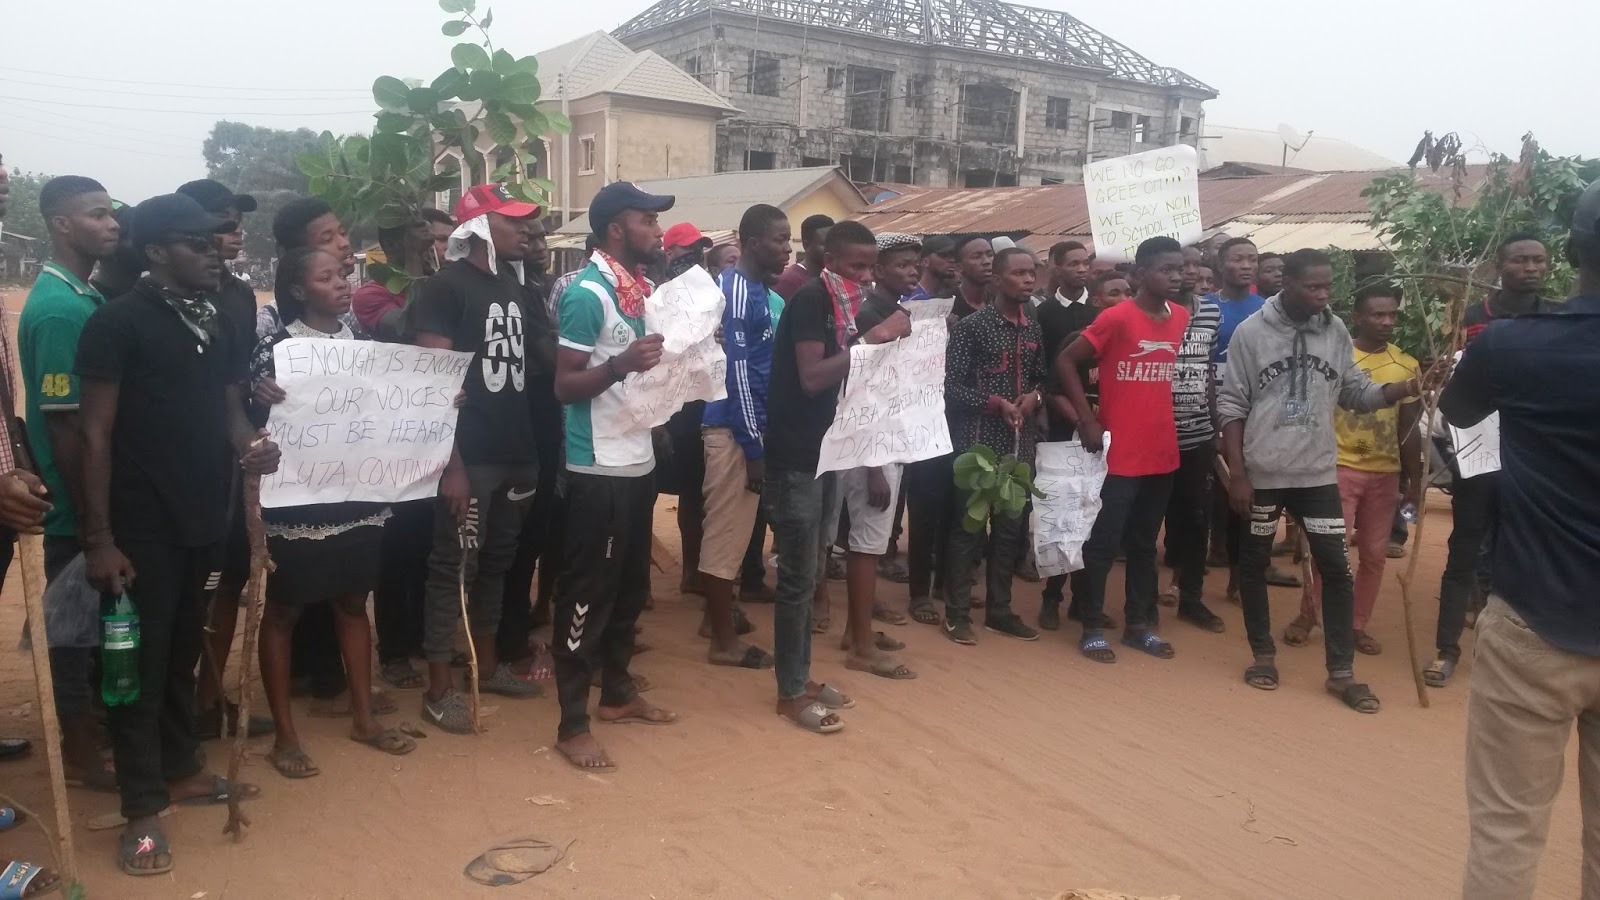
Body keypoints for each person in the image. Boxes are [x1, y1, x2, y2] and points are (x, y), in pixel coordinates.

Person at [75, 192, 280, 876]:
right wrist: (99, 538)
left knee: (184, 651)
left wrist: (250, 445)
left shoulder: (215, 318)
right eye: (198, 243)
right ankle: (141, 808)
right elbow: (93, 434)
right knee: (137, 666)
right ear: (157, 251)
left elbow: (228, 410)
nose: (216, 254)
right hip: (140, 529)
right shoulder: (116, 323)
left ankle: (181, 768)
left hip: (203, 518)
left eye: (217, 241)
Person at [1448, 184, 1600, 900]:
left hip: (1534, 619)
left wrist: (1511, 475)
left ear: (1568, 252)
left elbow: (1460, 415)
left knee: (1507, 832)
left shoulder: (1510, 345)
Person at [1217, 248, 1430, 713]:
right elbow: (1231, 404)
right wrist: (1238, 474)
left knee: (1336, 568)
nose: (1322, 295)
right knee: (1253, 564)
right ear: (1287, 283)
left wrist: (1405, 388)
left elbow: (1355, 393)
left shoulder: (1335, 332)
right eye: (1312, 286)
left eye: (1327, 286)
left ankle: (1341, 672)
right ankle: (1263, 656)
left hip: (1317, 473)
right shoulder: (1251, 332)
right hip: (1264, 473)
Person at [249, 247, 416, 778]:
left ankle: (364, 718)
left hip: (357, 496)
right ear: (299, 290)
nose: (343, 284)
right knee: (283, 611)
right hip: (296, 499)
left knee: (352, 603)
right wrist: (259, 396)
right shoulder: (276, 349)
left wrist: (435, 402)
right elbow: (248, 419)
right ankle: (285, 736)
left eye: (343, 275)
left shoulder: (363, 344)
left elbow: (391, 405)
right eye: (327, 277)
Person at [550, 181, 681, 770]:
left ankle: (619, 693)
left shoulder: (640, 292)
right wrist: (622, 365)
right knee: (588, 593)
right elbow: (565, 385)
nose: (657, 230)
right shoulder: (588, 294)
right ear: (615, 231)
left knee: (630, 588)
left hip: (637, 459)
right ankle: (572, 723)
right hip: (597, 465)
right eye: (646, 220)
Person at [763, 220, 910, 734]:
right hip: (797, 456)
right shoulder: (811, 300)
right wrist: (874, 339)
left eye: (871, 267)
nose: (866, 276)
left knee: (812, 570)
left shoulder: (845, 303)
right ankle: (789, 694)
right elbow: (812, 378)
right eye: (856, 266)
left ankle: (800, 679)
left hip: (827, 451)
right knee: (797, 577)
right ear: (830, 261)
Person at [412, 184, 546, 735]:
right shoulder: (443, 289)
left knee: (498, 562)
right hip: (471, 457)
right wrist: (452, 466)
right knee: (454, 568)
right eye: (513, 221)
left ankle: (486, 668)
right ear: (480, 228)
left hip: (517, 451)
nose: (527, 231)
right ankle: (439, 689)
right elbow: (432, 386)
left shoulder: (513, 286)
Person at [16, 176, 121, 786]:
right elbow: (63, 421)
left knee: (89, 618)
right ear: (61, 224)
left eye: (112, 214)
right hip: (71, 496)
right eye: (97, 215)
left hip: (87, 491)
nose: (111, 225)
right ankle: (79, 751)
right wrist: (89, 517)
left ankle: (93, 727)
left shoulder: (84, 293)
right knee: (71, 627)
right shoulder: (58, 308)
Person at [173, 178, 275, 742]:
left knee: (229, 581)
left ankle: (209, 701)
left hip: (232, 463)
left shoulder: (238, 294)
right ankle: (171, 706)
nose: (234, 232)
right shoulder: (148, 296)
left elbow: (237, 379)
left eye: (238, 222)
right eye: (221, 222)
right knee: (182, 592)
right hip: (177, 465)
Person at [1429, 233, 1555, 688]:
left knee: (1522, 549)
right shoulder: (1472, 319)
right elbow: (1454, 389)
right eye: (1520, 260)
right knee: (1464, 546)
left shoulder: (1557, 319)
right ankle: (1446, 650)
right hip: (1479, 446)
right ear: (1500, 266)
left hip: (1532, 453)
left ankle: (1512, 648)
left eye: (1538, 260)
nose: (1531, 268)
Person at [1056, 237, 1190, 662]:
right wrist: (1087, 419)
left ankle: (1138, 626)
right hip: (1118, 452)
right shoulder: (1117, 317)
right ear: (1141, 274)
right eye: (1166, 269)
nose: (1176, 276)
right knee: (1104, 540)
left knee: (1145, 544)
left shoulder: (1181, 316)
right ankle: (1092, 625)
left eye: (1179, 268)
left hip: (1161, 449)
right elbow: (1066, 361)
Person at [1280, 283, 1420, 657]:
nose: (1386, 322)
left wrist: (1414, 481)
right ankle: (1309, 615)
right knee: (1330, 550)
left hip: (1385, 472)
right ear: (1358, 317)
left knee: (1374, 555)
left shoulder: (1406, 365)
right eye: (1378, 314)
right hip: (1337, 467)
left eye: (1392, 315)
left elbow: (1408, 427)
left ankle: (1356, 625)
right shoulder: (1338, 355)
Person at [697, 204, 788, 670]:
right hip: (733, 429)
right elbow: (736, 373)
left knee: (735, 535)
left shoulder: (757, 291)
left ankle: (718, 624)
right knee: (726, 536)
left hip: (748, 427)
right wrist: (753, 446)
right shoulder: (735, 291)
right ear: (753, 243)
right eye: (779, 240)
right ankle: (722, 641)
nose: (787, 249)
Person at [940, 246, 1046, 645]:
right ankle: (957, 614)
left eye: (1031, 273)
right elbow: (950, 389)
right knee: (967, 531)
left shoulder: (1033, 328)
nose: (1028, 280)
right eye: (1018, 273)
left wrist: (1035, 398)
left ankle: (1000, 611)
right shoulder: (972, 328)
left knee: (1009, 532)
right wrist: (995, 403)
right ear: (997, 280)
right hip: (977, 447)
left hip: (1019, 449)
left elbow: (1042, 379)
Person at [834, 232, 921, 676]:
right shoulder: (871, 316)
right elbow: (860, 391)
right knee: (866, 545)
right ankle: (862, 648)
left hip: (890, 436)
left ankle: (857, 631)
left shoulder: (896, 311)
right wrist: (872, 467)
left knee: (871, 542)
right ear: (880, 269)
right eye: (902, 265)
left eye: (915, 265)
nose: (912, 272)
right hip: (870, 444)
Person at [1208, 237, 1299, 592]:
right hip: (1208, 414)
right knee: (1208, 500)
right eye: (1237, 259)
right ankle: (1192, 574)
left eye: (1252, 259)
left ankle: (1244, 575)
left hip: (1257, 418)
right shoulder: (1204, 308)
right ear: (1220, 265)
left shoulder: (1270, 311)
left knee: (1252, 499)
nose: (1246, 266)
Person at [1158, 245, 1225, 633]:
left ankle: (1192, 599)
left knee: (1198, 519)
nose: (1188, 271)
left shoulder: (1211, 312)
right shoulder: (1151, 312)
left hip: (1197, 434)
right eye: (1180, 265)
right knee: (1148, 521)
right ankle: (1142, 600)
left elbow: (1206, 371)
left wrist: (1215, 424)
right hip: (1152, 434)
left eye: (1195, 264)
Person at [256, 197, 358, 339]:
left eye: (342, 233)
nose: (344, 243)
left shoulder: (350, 316)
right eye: (327, 239)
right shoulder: (268, 323)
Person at [774, 214, 833, 300]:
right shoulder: (790, 281)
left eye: (833, 243)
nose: (831, 249)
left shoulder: (832, 278)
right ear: (806, 245)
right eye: (824, 244)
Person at [907, 234, 958, 302]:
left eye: (954, 255)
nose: (952, 260)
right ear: (925, 262)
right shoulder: (909, 299)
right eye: (944, 255)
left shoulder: (956, 296)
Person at [952, 234, 993, 320]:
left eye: (990, 255)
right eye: (976, 257)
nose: (987, 261)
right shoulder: (947, 305)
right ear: (959, 268)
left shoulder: (998, 302)